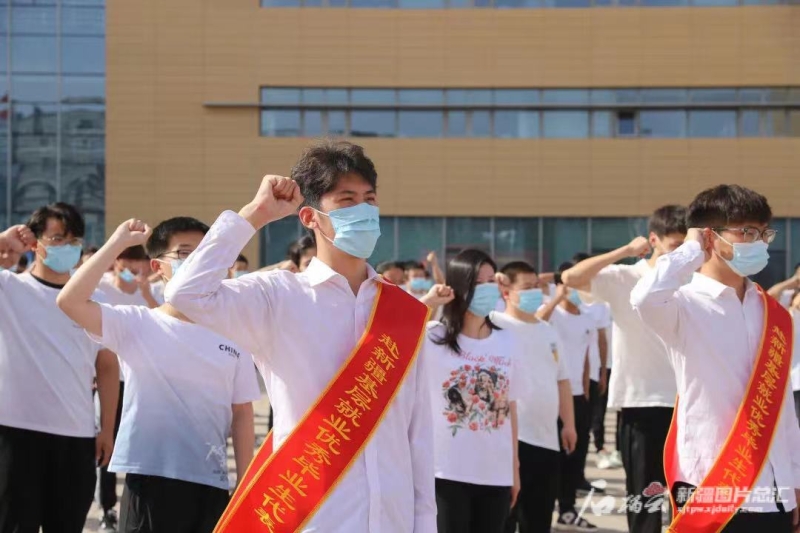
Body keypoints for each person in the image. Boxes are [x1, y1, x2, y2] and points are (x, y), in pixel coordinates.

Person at [165, 139, 436, 531]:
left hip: (393, 520)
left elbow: (419, 435)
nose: (363, 212)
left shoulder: (405, 312)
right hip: (312, 518)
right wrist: (253, 216)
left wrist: (425, 523)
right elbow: (185, 294)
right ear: (310, 217)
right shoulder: (277, 297)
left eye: (370, 200)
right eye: (347, 200)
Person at [57, 216, 260, 533]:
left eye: (205, 252)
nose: (197, 262)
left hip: (212, 484)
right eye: (184, 253)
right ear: (157, 267)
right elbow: (70, 302)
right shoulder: (138, 324)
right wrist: (117, 244)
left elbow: (242, 412)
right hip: (150, 481)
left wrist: (245, 483)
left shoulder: (234, 333)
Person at [631, 184, 800, 532]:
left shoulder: (775, 315)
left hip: (775, 489)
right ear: (710, 236)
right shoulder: (682, 304)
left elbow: (783, 409)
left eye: (763, 233)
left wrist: (795, 477)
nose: (759, 243)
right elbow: (644, 297)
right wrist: (691, 249)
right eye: (747, 232)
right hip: (711, 482)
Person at [561, 204, 687, 533]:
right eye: (675, 245)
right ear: (653, 240)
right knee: (645, 494)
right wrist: (625, 251)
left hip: (687, 403)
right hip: (641, 401)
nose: (681, 254)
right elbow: (571, 278)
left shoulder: (693, 281)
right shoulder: (625, 277)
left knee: (686, 496)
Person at [0, 203, 119, 533]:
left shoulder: (95, 300)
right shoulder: (9, 288)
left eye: (74, 241)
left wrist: (107, 429)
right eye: (57, 239)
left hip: (76, 435)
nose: (67, 248)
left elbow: (107, 367)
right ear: (35, 243)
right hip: (15, 434)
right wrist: (3, 241)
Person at [421, 249, 519, 533]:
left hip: (495, 474)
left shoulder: (508, 340)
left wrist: (514, 469)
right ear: (460, 286)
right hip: (446, 473)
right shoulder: (434, 337)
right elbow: (393, 337)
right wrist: (429, 302)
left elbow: (510, 406)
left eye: (491, 281)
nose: (487, 289)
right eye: (478, 282)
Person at [493, 261, 577, 533]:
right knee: (504, 520)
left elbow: (562, 380)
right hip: (511, 439)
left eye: (536, 286)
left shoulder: (547, 331)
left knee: (539, 519)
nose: (533, 292)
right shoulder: (495, 325)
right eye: (526, 287)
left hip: (546, 439)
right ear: (506, 291)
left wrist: (569, 424)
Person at [537, 264, 597, 531]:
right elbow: (538, 320)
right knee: (553, 458)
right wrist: (558, 294)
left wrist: (585, 390)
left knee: (575, 456)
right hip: (553, 397)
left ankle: (568, 510)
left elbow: (585, 358)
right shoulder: (551, 313)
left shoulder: (587, 318)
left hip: (577, 397)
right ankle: (543, 511)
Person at [571, 253, 613, 473]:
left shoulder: (600, 304)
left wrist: (603, 371)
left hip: (594, 371)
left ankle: (597, 451)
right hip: (571, 376)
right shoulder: (565, 302)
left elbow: (601, 341)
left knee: (592, 418)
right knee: (574, 424)